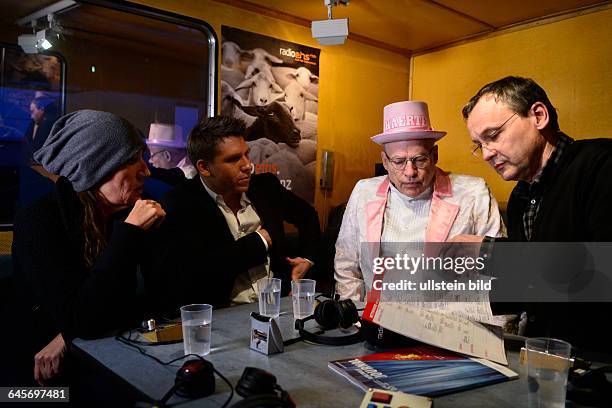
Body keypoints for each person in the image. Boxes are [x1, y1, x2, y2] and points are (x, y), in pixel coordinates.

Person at [10, 110, 166, 385]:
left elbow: (154, 302)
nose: (146, 170)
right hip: (34, 380)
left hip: (102, 355)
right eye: (132, 160)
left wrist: (67, 335)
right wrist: (129, 234)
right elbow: (83, 318)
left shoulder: (125, 213)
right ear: (95, 167)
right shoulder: (39, 220)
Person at [458, 76, 612, 350]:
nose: (486, 154)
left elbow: (600, 275)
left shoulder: (601, 164)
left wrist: (488, 253)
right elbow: (534, 287)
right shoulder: (520, 196)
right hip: (548, 357)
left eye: (493, 136)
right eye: (478, 144)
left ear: (538, 116)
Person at [335, 101, 505, 301]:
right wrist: (354, 320)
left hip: (449, 323)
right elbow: (347, 264)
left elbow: (501, 273)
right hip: (377, 322)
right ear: (385, 161)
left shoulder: (473, 193)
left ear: (434, 155)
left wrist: (494, 331)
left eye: (420, 159)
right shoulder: (364, 192)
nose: (410, 172)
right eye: (398, 162)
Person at [154, 115, 320, 310]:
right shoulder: (180, 205)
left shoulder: (265, 187)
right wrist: (257, 243)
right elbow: (191, 280)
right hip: (220, 319)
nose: (247, 165)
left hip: (276, 308)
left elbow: (308, 217)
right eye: (233, 159)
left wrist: (307, 260)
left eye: (246, 154)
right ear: (204, 167)